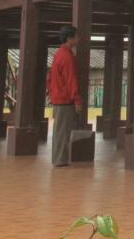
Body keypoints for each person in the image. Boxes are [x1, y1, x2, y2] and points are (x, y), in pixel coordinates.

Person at [47, 25, 82, 167]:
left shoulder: (58, 54)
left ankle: (58, 159)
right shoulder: (68, 57)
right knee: (63, 132)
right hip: (65, 100)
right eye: (76, 36)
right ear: (69, 38)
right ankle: (60, 160)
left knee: (59, 130)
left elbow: (50, 79)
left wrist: (52, 94)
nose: (79, 38)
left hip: (58, 99)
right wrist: (77, 100)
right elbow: (71, 80)